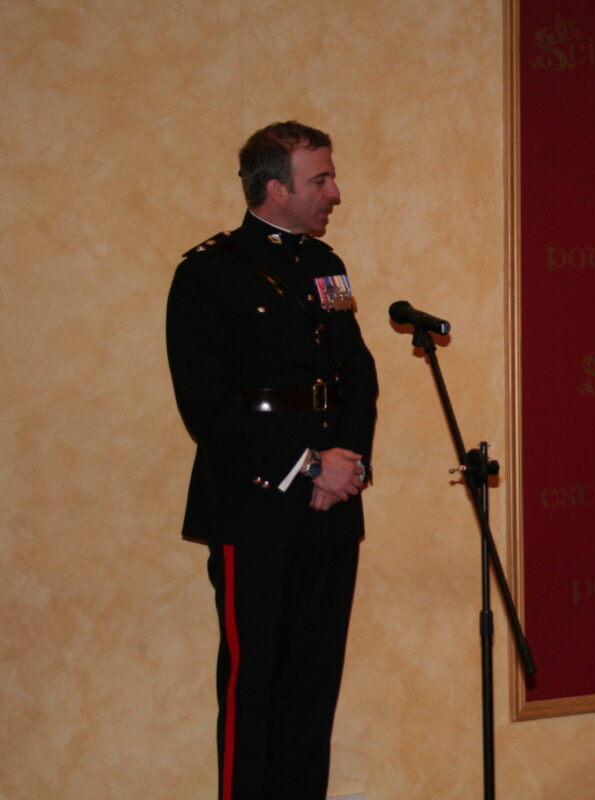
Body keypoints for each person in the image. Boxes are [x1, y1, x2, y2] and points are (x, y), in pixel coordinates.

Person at [166, 121, 378, 800]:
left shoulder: (327, 270)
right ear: (273, 188)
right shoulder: (207, 274)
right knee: (253, 689)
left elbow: (359, 376)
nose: (335, 192)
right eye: (321, 179)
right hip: (255, 509)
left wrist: (346, 466)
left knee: (312, 693)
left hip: (331, 511)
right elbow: (208, 408)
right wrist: (309, 466)